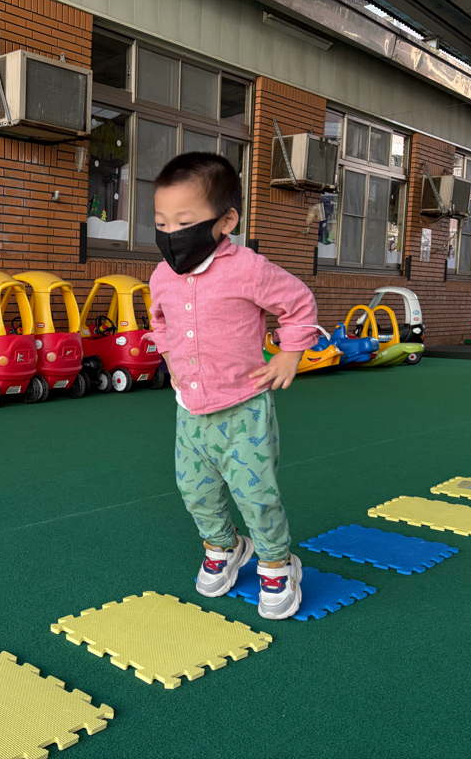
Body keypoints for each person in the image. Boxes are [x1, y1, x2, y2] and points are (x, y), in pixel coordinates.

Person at [146, 152, 320, 620]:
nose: (170, 233)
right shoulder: (162, 275)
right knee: (194, 490)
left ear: (226, 221)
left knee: (255, 493)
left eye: (184, 222)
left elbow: (298, 303)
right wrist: (169, 358)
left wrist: (289, 352)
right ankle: (224, 546)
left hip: (243, 408)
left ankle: (277, 562)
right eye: (160, 223)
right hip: (190, 410)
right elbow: (158, 320)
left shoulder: (249, 269)